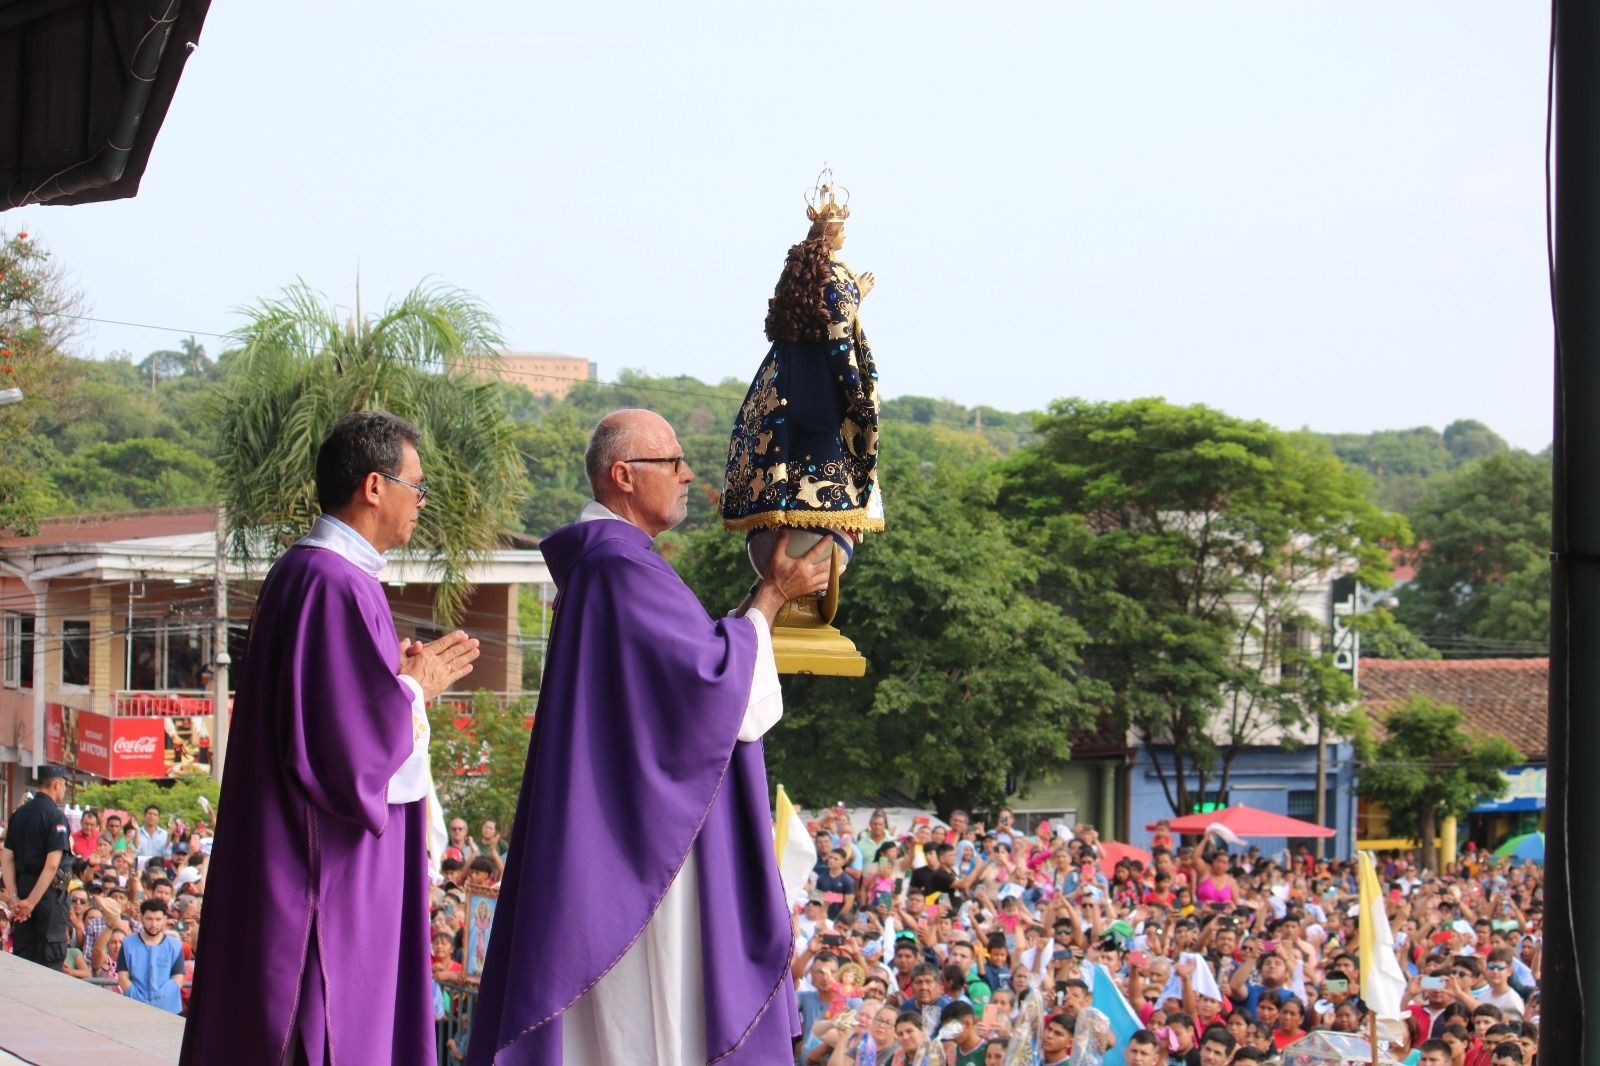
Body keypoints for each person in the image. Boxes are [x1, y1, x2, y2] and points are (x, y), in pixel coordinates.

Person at [468, 408, 833, 1066]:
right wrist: (773, 595)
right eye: (672, 462)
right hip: (644, 856)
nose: (688, 474)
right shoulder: (620, 568)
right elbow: (713, 688)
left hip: (618, 835)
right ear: (624, 475)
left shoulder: (611, 567)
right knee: (661, 1024)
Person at [180, 411, 480, 1066]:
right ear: (374, 487)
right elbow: (344, 754)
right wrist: (413, 690)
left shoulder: (328, 576)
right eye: (415, 486)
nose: (420, 502)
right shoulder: (331, 581)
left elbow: (331, 707)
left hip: (295, 854)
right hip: (312, 875)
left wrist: (395, 682)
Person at [721, 168, 883, 554]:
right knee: (830, 454)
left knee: (789, 454)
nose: (845, 234)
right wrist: (859, 395)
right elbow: (838, 331)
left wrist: (853, 295)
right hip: (823, 387)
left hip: (787, 383)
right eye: (842, 228)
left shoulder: (797, 273)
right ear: (830, 232)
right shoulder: (834, 276)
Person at [1, 765, 72, 969]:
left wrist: (15, 899)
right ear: (57, 784)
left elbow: (7, 857)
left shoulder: (18, 814)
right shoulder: (55, 817)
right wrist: (31, 903)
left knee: (25, 958)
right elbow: (51, 866)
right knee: (50, 959)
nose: (64, 790)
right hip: (48, 896)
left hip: (22, 891)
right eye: (64, 785)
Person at [118, 899, 184, 1012]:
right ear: (141, 918)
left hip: (168, 1008)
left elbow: (178, 978)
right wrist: (135, 995)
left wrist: (163, 996)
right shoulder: (127, 944)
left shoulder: (175, 945)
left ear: (165, 919)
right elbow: (122, 976)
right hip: (135, 1007)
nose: (153, 924)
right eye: (149, 919)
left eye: (158, 919)